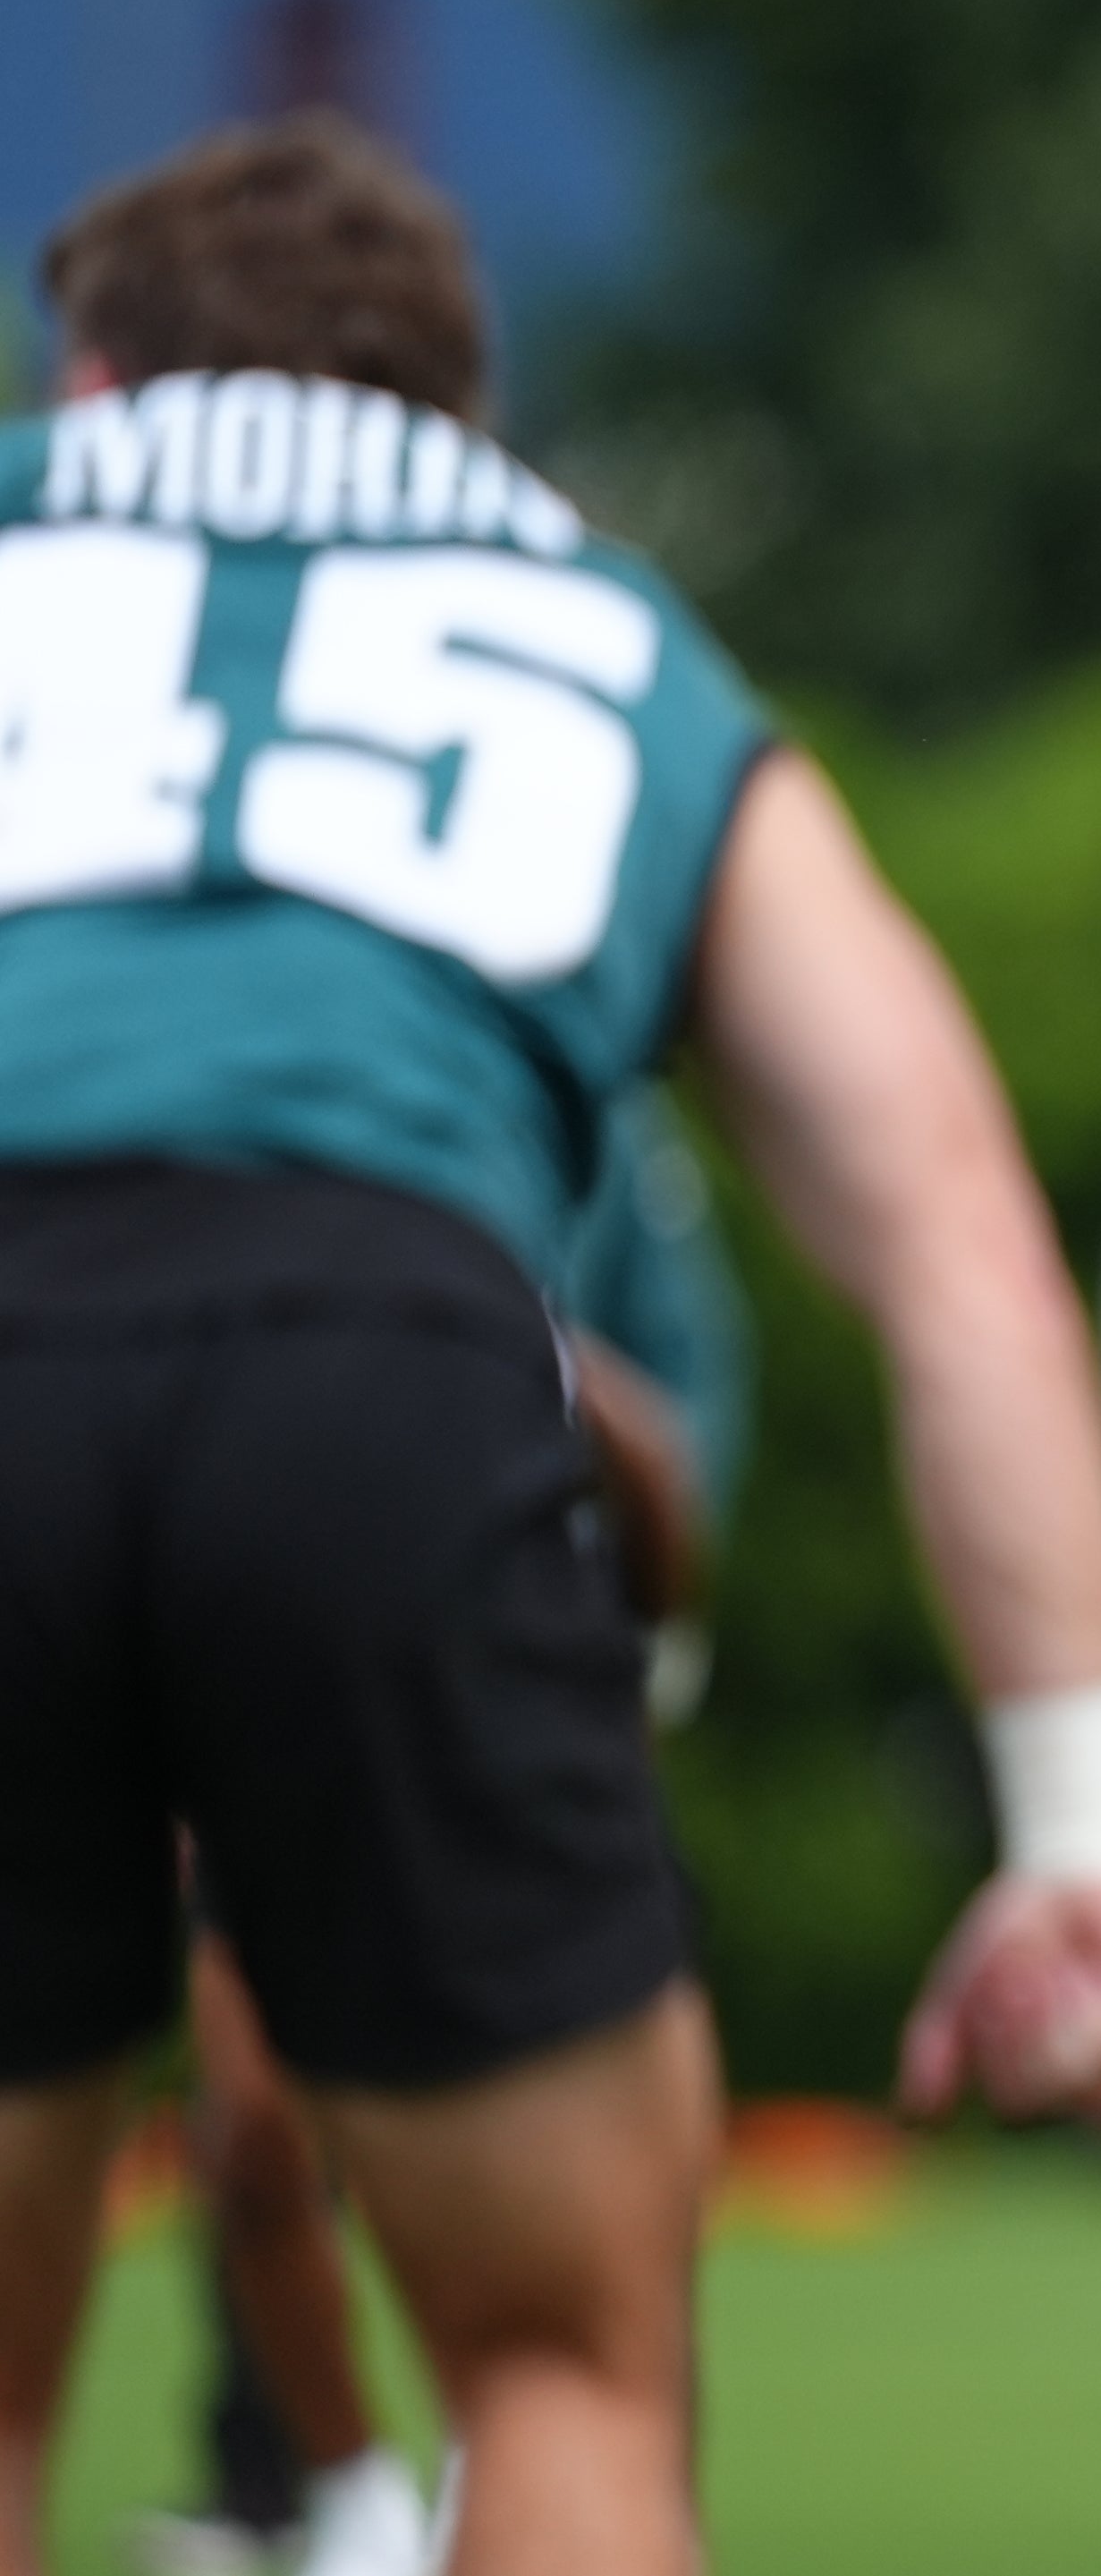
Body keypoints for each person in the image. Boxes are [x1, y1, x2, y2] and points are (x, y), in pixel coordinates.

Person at [0, 117, 1101, 2576]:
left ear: (91, 385)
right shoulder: (605, 629)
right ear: (459, 422)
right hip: (388, 1372)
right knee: (559, 2369)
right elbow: (949, 1225)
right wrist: (1079, 1826)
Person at [138, 1092, 753, 2576]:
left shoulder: (589, 1126)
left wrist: (629, 1645)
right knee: (258, 2128)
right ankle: (346, 2508)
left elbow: (672, 1430)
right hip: (268, 1668)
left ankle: (536, 2490)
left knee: (593, 2210)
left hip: (513, 1689)